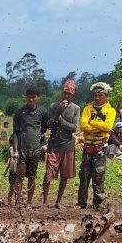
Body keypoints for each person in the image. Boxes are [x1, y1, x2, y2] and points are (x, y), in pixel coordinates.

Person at [78, 82, 116, 209]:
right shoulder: (87, 109)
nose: (97, 98)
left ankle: (98, 203)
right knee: (84, 175)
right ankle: (81, 203)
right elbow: (83, 126)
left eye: (100, 95)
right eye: (95, 95)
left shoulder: (110, 111)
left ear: (105, 96)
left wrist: (92, 122)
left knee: (99, 174)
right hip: (88, 146)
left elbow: (108, 126)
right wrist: (100, 127)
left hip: (101, 146)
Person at [42, 79, 79, 207]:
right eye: (65, 93)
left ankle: (58, 201)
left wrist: (61, 120)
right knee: (48, 174)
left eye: (69, 94)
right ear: (61, 93)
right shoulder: (53, 106)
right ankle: (45, 201)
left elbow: (74, 128)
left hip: (67, 145)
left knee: (64, 175)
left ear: (73, 95)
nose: (66, 96)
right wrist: (58, 111)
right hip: (54, 144)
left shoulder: (75, 108)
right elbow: (48, 124)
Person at [12, 86, 49, 205]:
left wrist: (43, 144)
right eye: (29, 97)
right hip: (22, 149)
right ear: (25, 97)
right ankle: (17, 202)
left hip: (35, 149)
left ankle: (29, 202)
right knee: (20, 175)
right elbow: (15, 133)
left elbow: (43, 130)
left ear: (38, 98)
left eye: (33, 97)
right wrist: (16, 150)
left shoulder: (43, 112)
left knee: (32, 177)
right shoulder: (19, 113)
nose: (31, 100)